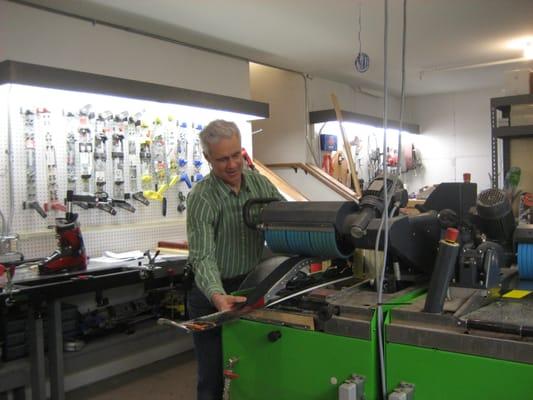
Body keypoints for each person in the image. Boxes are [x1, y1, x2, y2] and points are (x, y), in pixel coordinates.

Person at [186, 119, 283, 400]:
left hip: (250, 286)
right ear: (207, 158)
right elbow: (202, 255)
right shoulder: (202, 198)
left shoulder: (260, 185)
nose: (231, 165)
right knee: (213, 377)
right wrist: (217, 296)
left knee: (250, 368)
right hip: (211, 294)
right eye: (221, 159)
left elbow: (286, 218)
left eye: (235, 155)